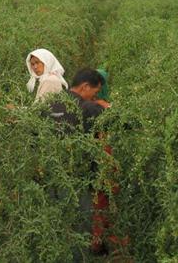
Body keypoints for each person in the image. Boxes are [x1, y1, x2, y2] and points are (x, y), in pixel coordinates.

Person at [48, 69, 127, 256]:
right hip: (78, 176)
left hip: (53, 173)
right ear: (85, 87)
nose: (95, 96)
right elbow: (123, 122)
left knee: (57, 222)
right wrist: (107, 108)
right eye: (95, 91)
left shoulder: (51, 104)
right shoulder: (89, 108)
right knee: (81, 225)